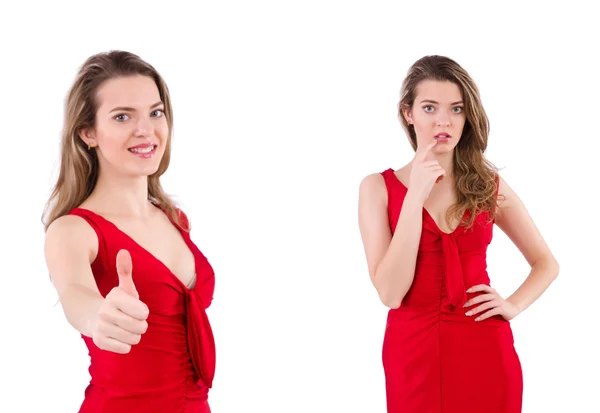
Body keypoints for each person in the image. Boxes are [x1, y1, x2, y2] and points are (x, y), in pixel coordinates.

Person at [357, 55, 559, 413]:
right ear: (408, 113)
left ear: (468, 116)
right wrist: (416, 193)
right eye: (430, 107)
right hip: (412, 351)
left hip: (485, 346)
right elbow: (390, 293)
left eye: (456, 109)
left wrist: (512, 305)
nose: (443, 121)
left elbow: (545, 263)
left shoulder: (487, 184)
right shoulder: (378, 188)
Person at [42, 50, 216, 413]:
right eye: (122, 117)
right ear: (88, 133)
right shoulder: (73, 230)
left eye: (155, 112)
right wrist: (99, 316)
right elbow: (77, 296)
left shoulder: (175, 219)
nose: (145, 129)